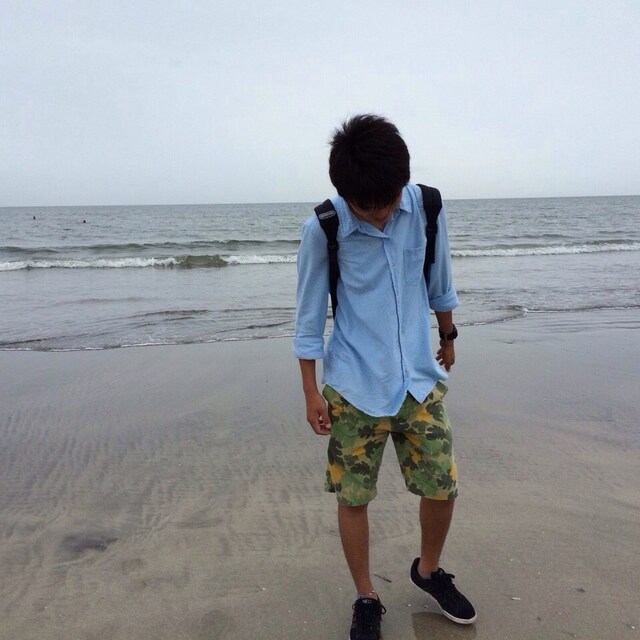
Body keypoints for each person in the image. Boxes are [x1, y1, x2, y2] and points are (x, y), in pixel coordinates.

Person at [294, 114, 476, 640]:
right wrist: (310, 392)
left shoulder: (426, 207)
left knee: (442, 485)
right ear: (343, 192)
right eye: (366, 206)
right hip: (353, 386)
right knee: (353, 497)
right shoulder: (323, 229)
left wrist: (448, 335)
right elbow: (308, 319)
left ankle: (428, 571)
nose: (380, 214)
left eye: (389, 201)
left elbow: (439, 278)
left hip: (418, 379)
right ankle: (366, 596)